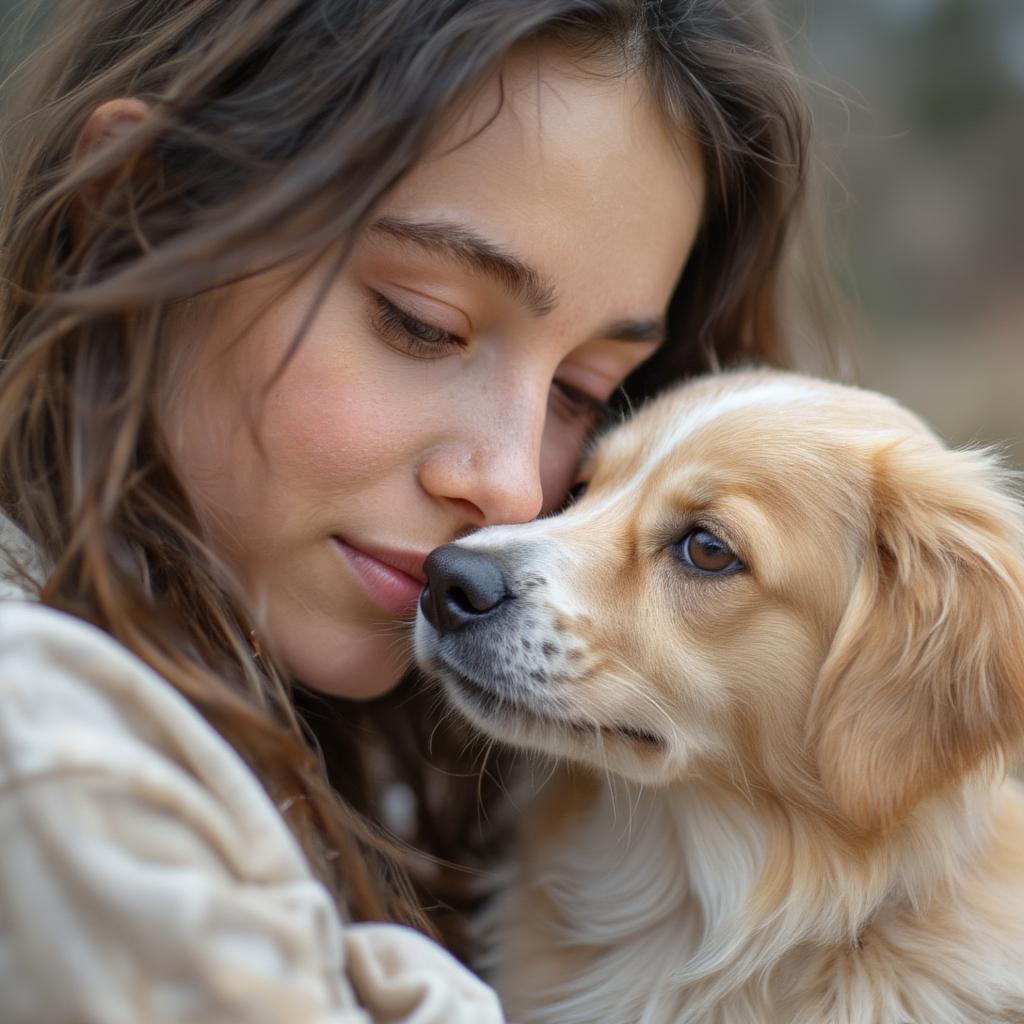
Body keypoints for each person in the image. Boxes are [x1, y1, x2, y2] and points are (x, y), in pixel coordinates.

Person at [0, 0, 832, 1020]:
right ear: (134, 207)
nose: (516, 488)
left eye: (582, 391)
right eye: (422, 325)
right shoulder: (43, 750)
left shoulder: (400, 767)